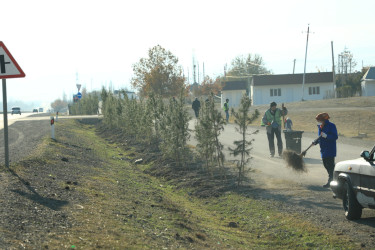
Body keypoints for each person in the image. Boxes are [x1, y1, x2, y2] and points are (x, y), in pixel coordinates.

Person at [312, 112, 338, 188]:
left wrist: (327, 136)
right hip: (323, 149)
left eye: (319, 120)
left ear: (323, 120)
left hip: (330, 149)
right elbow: (320, 137)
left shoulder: (331, 126)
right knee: (326, 165)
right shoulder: (320, 127)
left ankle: (331, 181)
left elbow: (335, 136)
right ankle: (333, 179)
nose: (318, 122)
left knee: (330, 166)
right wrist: (315, 142)